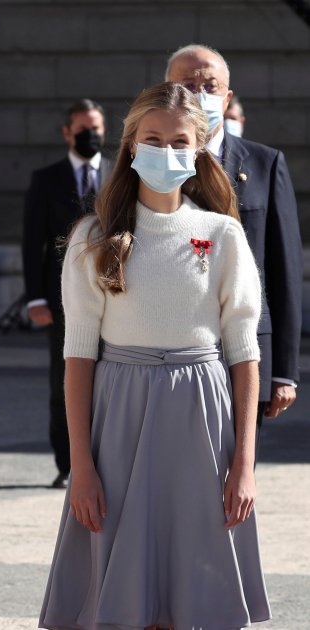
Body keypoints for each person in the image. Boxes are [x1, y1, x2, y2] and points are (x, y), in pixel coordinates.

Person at [39, 82, 271, 630]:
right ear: (130, 146)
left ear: (199, 150)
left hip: (203, 421)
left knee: (194, 583)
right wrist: (81, 466)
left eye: (178, 142)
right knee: (123, 589)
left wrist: (244, 464)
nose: (165, 152)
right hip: (119, 418)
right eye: (152, 139)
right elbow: (77, 358)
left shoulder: (222, 235)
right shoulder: (93, 238)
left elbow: (243, 353)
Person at [166, 44, 303, 444]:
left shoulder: (264, 164)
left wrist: (284, 371)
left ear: (227, 98)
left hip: (244, 352)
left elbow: (284, 269)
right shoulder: (145, 162)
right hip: (166, 350)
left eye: (210, 85)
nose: (199, 93)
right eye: (187, 84)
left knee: (233, 478)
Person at [22, 99, 114, 489]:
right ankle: (67, 461)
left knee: (109, 375)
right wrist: (35, 298)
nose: (90, 135)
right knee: (66, 379)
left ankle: (106, 455)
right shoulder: (46, 178)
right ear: (67, 132)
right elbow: (32, 242)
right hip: (61, 298)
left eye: (96, 128)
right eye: (82, 129)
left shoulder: (118, 173)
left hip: (113, 292)